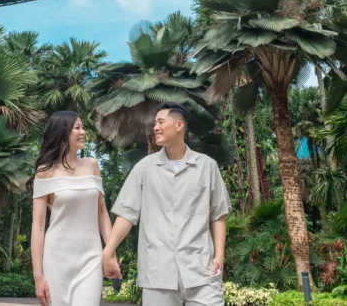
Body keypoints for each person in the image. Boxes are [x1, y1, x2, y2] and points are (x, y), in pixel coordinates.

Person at [103, 103, 230, 306]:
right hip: (158, 273)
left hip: (202, 271)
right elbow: (127, 214)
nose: (155, 127)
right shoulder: (144, 168)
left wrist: (219, 255)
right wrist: (108, 251)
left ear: (179, 125)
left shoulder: (207, 166)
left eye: (161, 122)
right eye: (155, 123)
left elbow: (218, 214)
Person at [30, 111, 112, 306]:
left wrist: (110, 253)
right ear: (62, 132)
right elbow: (38, 226)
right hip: (56, 260)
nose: (83, 132)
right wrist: (38, 275)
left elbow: (102, 212)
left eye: (82, 127)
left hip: (91, 258)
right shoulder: (45, 172)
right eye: (77, 127)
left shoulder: (92, 165)